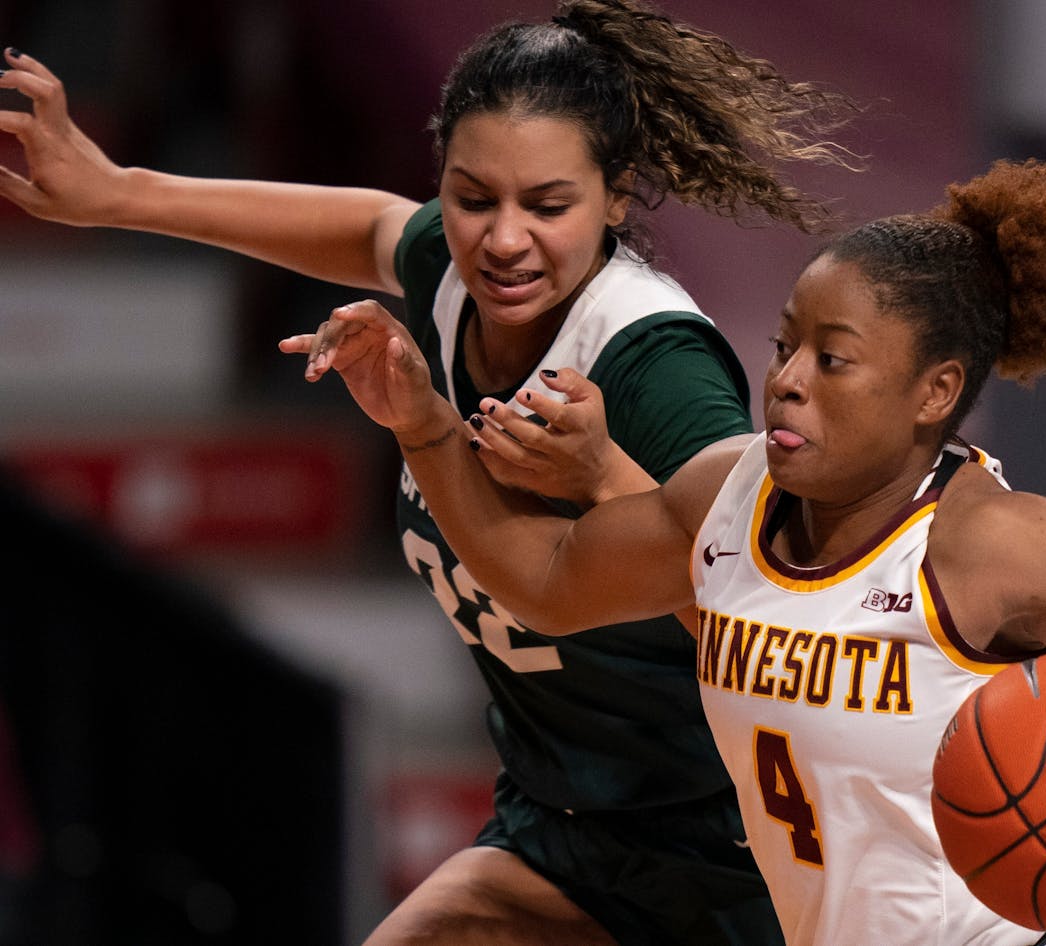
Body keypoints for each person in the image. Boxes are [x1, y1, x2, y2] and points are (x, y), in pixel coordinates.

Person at [281, 156, 1046, 945]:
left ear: (933, 393)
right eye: (782, 346)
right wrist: (421, 426)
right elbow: (545, 583)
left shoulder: (1001, 544)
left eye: (832, 360)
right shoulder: (727, 490)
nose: (785, 380)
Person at [0, 1, 862, 941]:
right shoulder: (453, 278)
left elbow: (776, 622)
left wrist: (609, 474)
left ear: (617, 196)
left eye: (547, 205)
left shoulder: (654, 366)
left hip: (736, 852)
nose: (501, 238)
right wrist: (114, 191)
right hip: (562, 828)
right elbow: (374, 229)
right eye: (471, 196)